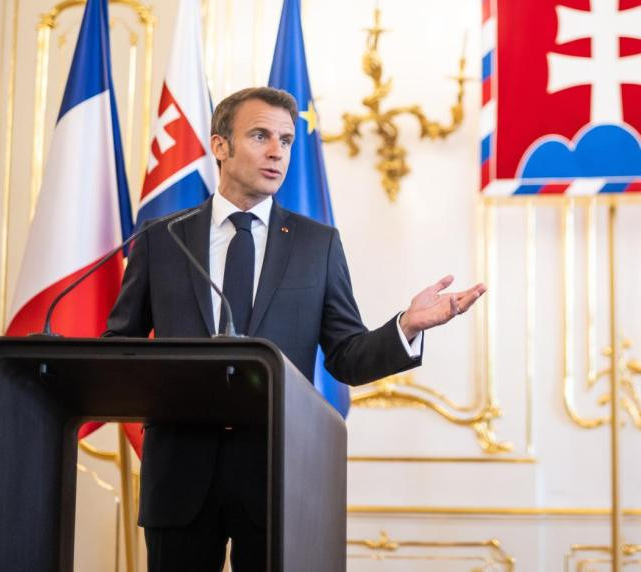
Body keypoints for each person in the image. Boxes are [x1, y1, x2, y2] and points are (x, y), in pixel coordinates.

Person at [104, 86, 485, 571]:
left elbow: (346, 355)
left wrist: (405, 326)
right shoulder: (163, 238)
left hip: (275, 475)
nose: (275, 152)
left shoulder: (316, 245)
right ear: (220, 146)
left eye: (285, 140)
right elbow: (122, 347)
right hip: (179, 474)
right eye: (260, 135)